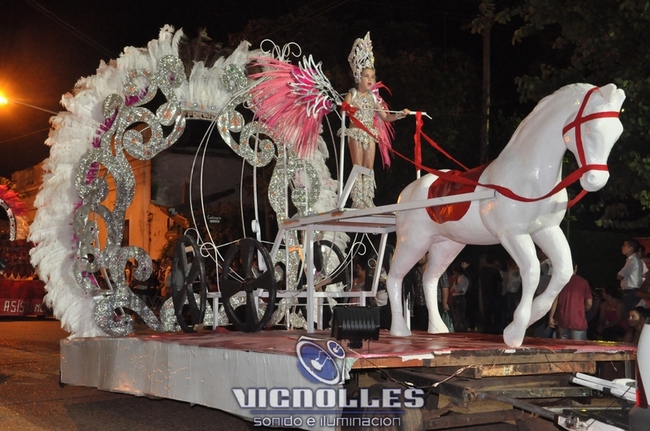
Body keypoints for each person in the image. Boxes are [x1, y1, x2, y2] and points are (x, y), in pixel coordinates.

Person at [341, 32, 410, 208]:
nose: (370, 79)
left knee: (368, 167)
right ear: (358, 76)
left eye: (372, 76)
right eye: (366, 76)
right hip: (356, 133)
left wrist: (400, 114)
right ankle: (357, 200)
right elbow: (344, 109)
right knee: (358, 166)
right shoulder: (352, 94)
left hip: (370, 134)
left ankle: (367, 198)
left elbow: (385, 117)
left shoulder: (373, 98)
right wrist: (350, 109)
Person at [549, 272, 593, 340]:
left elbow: (555, 300)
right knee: (578, 346)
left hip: (562, 319)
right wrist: (582, 310)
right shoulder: (583, 282)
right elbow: (589, 303)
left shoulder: (560, 281)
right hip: (578, 321)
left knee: (564, 345)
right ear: (576, 268)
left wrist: (551, 317)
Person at [618, 238, 643, 313]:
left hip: (631, 292)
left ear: (631, 248)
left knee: (630, 314)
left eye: (624, 245)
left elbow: (620, 276)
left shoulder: (632, 260)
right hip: (631, 292)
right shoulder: (632, 259)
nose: (622, 247)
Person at [479, 255, 503, 334]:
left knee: (487, 313)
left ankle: (487, 328)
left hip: (486, 294)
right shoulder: (495, 272)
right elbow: (500, 284)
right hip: (495, 294)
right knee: (496, 313)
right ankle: (496, 329)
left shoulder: (482, 271)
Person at [450, 265, 470, 332]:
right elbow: (452, 289)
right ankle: (458, 329)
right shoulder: (457, 279)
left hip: (459, 297)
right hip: (455, 297)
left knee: (460, 316)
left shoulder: (463, 279)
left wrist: (455, 290)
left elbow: (461, 290)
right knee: (456, 316)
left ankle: (462, 329)